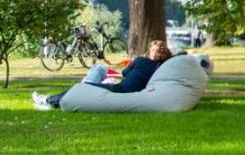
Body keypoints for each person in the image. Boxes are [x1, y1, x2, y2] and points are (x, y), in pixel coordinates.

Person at [33, 40, 173, 110]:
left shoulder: (141, 60)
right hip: (129, 89)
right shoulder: (160, 68)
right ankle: (51, 100)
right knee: (89, 82)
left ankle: (48, 100)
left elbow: (125, 73)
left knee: (81, 87)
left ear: (151, 51)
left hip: (120, 89)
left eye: (151, 50)